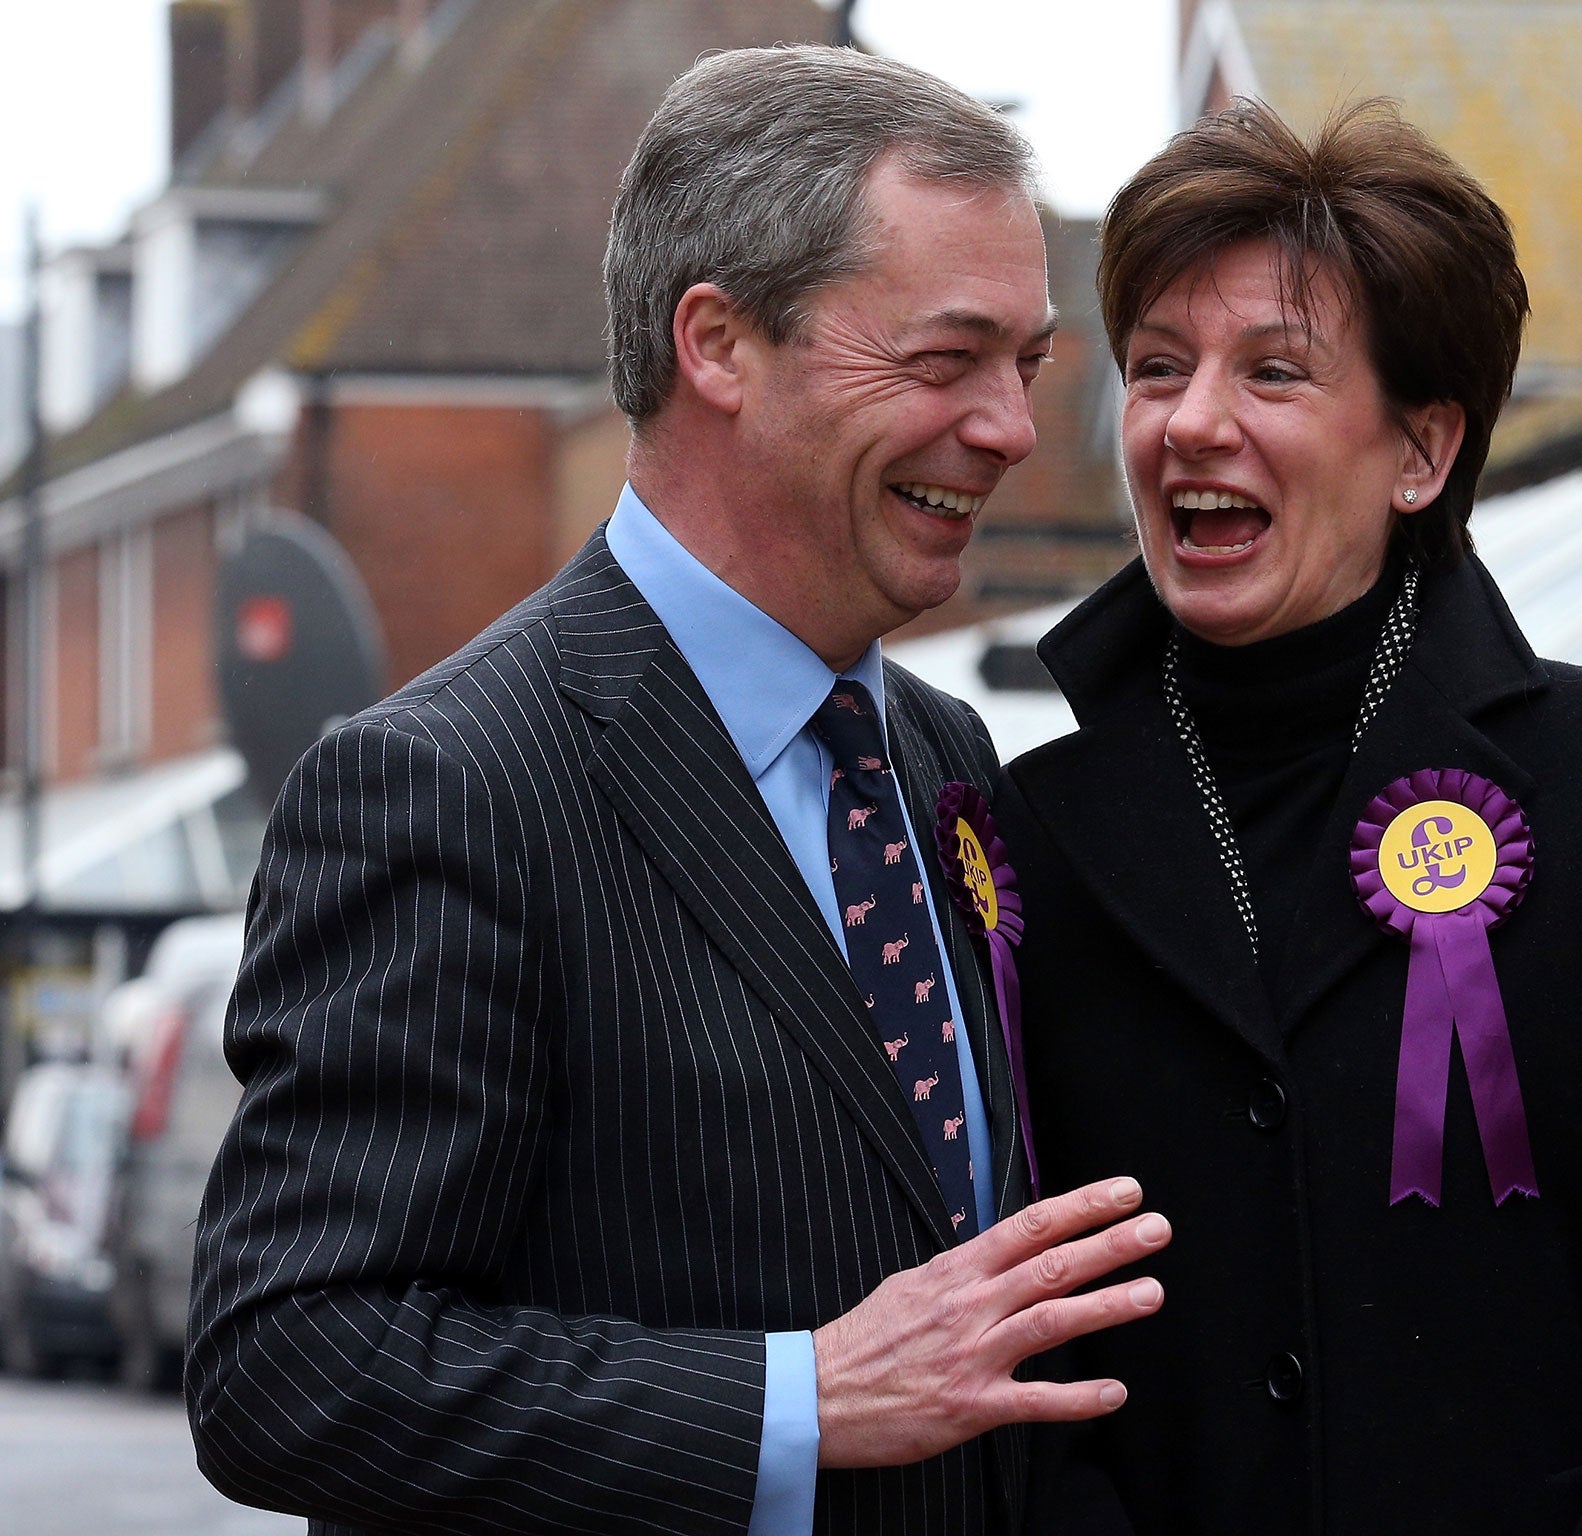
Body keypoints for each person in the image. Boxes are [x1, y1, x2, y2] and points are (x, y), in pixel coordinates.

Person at [186, 46, 1171, 1536]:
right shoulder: (446, 785)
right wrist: (797, 1402)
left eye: (1025, 365)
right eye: (942, 359)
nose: (1012, 431)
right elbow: (289, 1365)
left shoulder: (946, 761)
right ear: (717, 342)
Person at [998, 98, 1582, 1535]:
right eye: (1155, 368)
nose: (1194, 420)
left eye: (1274, 372)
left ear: (1421, 453)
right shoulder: (1025, 837)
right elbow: (1010, 1357)